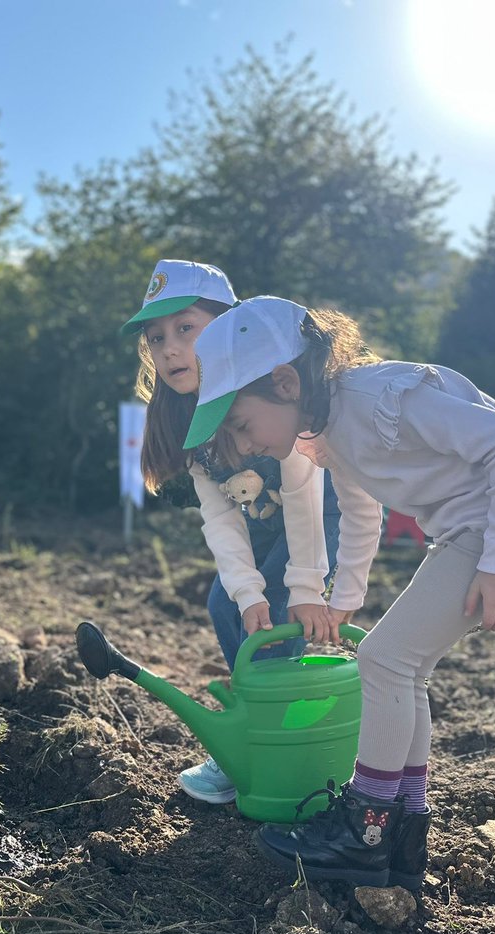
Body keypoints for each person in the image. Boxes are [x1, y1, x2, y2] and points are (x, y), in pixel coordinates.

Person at [182, 296, 495, 889]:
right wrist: (346, 595)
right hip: (475, 529)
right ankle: (404, 828)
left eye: (240, 423)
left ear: (285, 383)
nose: (245, 442)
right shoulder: (327, 433)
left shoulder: (376, 399)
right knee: (402, 669)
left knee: (384, 661)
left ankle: (363, 830)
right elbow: (365, 509)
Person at [121, 261, 343, 805]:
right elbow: (220, 518)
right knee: (227, 604)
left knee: (281, 611)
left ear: (227, 326)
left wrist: (306, 585)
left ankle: (268, 744)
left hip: (316, 521)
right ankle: (265, 732)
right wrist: (244, 591)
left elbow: (305, 497)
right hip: (262, 533)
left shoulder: (263, 391)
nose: (169, 348)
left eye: (185, 329)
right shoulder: (188, 427)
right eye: (157, 338)